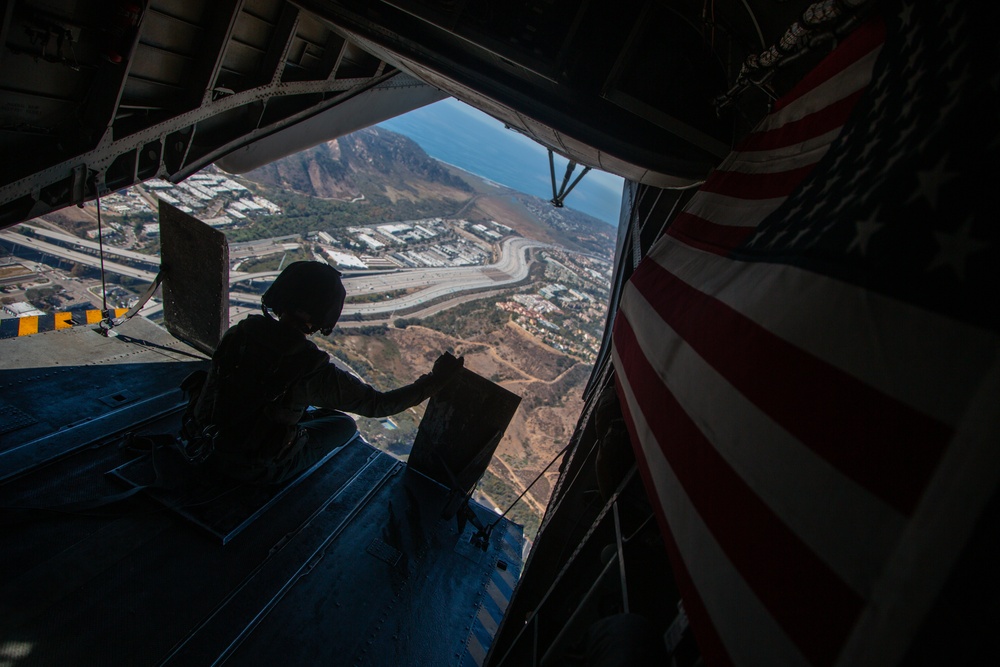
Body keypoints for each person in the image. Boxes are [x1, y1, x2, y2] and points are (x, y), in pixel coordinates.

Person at [186, 261, 463, 485]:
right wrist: (435, 381)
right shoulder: (310, 368)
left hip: (199, 439)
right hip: (249, 469)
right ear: (325, 315)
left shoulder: (241, 332)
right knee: (343, 425)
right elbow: (379, 404)